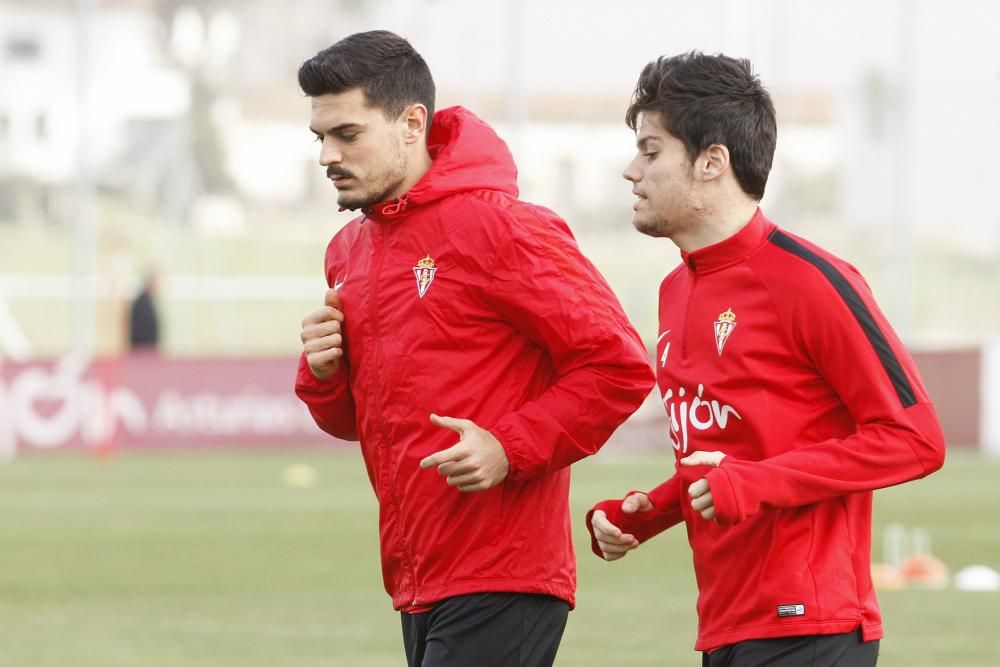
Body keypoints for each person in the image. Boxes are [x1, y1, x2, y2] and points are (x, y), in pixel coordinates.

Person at [294, 30, 654, 667]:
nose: (327, 154)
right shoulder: (350, 251)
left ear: (412, 123)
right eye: (320, 137)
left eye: (347, 134)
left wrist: (507, 447)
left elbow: (618, 366)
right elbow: (354, 420)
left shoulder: (499, 226)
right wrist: (325, 372)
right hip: (416, 576)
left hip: (504, 573)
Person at [585, 52, 946, 666]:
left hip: (811, 626)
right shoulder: (677, 291)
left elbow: (915, 440)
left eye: (650, 151)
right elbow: (731, 457)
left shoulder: (813, 281)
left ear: (711, 162)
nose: (631, 171)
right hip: (726, 622)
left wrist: (753, 484)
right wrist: (652, 511)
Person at [127, 272, 160, 351]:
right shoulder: (142, 302)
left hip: (147, 347)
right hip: (142, 349)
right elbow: (139, 327)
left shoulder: (148, 300)